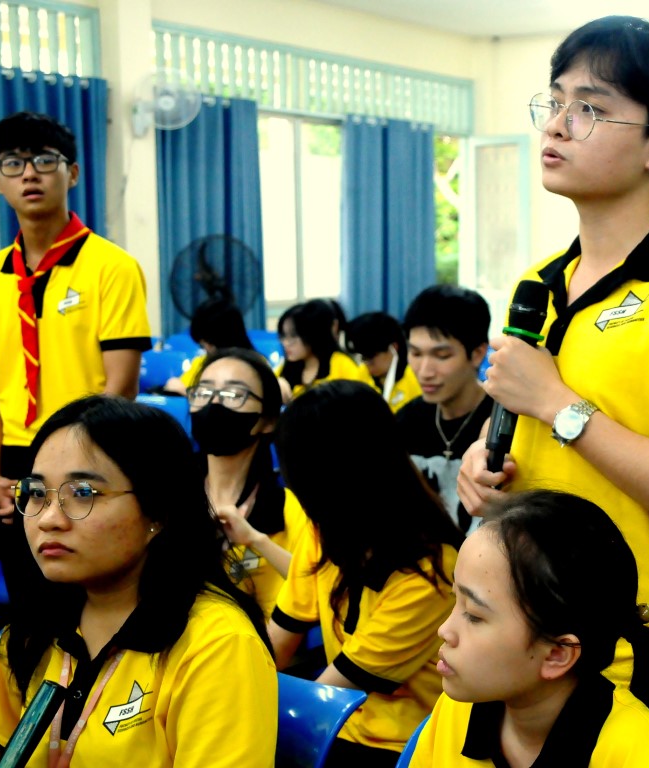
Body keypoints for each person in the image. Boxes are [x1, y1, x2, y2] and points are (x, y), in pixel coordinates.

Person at [457, 15, 649, 750]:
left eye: (591, 109)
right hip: (522, 645)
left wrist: (557, 404)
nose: (557, 125)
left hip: (634, 656)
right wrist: (484, 469)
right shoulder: (539, 283)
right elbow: (527, 434)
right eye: (556, 101)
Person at [0, 395, 277, 767]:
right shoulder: (44, 616)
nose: (48, 519)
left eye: (82, 493)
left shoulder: (219, 646)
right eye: (37, 493)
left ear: (158, 512)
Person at [411, 489, 649, 767]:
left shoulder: (633, 752)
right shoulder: (457, 710)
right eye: (455, 599)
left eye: (474, 616)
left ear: (556, 654)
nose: (444, 630)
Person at [0, 112, 152, 536]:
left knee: (85, 572)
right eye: (13, 163)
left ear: (72, 174)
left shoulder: (113, 267)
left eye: (45, 160)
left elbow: (121, 385)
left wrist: (70, 464)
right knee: (24, 575)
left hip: (89, 448)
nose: (29, 174)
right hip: (13, 457)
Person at [268, 380, 465, 767]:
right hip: (336, 721)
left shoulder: (431, 569)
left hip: (399, 744)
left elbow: (329, 695)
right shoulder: (323, 529)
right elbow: (275, 645)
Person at [188, 347, 306, 618]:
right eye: (203, 392)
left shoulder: (288, 507)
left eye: (233, 394)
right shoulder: (165, 492)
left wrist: (256, 540)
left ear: (268, 421)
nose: (214, 403)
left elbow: (317, 587)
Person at [396, 286, 493, 535]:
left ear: (477, 353)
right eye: (415, 353)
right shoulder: (407, 421)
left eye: (441, 355)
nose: (424, 371)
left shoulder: (503, 421)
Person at [276, 300, 368, 402]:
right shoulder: (285, 368)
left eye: (293, 336)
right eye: (283, 336)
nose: (285, 343)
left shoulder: (342, 364)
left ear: (311, 334)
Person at [163, 296, 257, 395]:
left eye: (210, 342)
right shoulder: (201, 362)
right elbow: (178, 385)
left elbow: (232, 399)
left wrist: (186, 392)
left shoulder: (252, 367)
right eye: (202, 345)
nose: (207, 349)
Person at [348, 311, 421, 413]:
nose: (367, 363)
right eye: (363, 358)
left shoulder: (415, 378)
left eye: (371, 356)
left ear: (393, 347)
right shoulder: (361, 374)